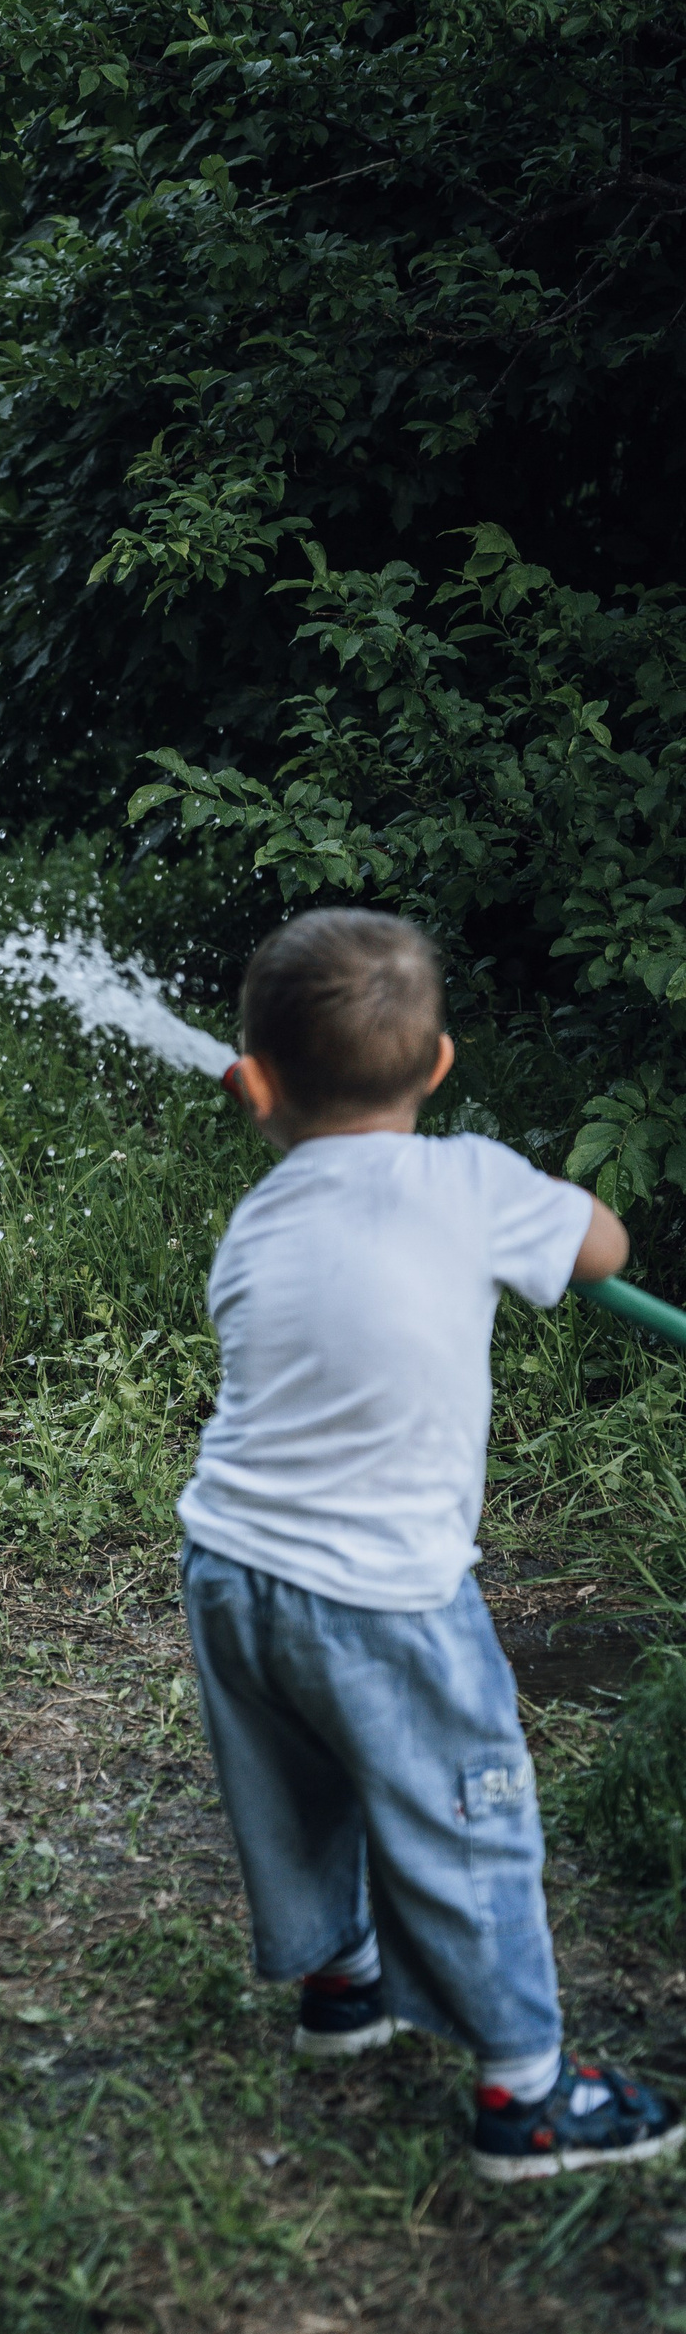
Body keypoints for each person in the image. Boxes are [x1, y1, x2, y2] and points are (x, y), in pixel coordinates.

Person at [180, 906, 681, 2181]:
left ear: (254, 1085)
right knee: (469, 1815)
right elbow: (605, 1247)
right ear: (441, 1064)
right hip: (384, 1597)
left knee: (298, 1783)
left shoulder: (258, 1220)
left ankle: (344, 1979)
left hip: (230, 1569)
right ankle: (528, 2096)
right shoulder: (472, 1182)